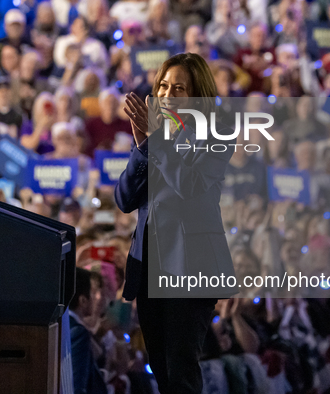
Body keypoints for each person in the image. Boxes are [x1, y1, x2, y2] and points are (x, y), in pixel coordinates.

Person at [115, 52, 236, 393]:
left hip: (192, 266)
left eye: (179, 88)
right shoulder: (157, 139)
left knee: (181, 370)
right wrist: (141, 145)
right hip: (151, 265)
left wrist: (155, 141)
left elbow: (191, 186)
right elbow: (125, 200)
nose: (167, 95)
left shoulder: (218, 131)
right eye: (163, 86)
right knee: (162, 369)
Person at [68, 267, 107, 394]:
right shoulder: (78, 332)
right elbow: (77, 386)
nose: (96, 297)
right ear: (83, 300)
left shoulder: (64, 324)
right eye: (92, 292)